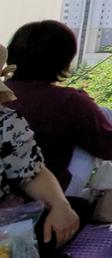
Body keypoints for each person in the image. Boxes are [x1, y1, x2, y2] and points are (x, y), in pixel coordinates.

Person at [5, 20, 112, 218]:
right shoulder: (67, 102)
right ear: (64, 60)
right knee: (105, 114)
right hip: (49, 199)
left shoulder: (8, 99)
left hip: (17, 195)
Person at [0, 42, 81, 251]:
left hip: (5, 235)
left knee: (74, 211)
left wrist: (59, 204)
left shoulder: (5, 122)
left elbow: (31, 173)